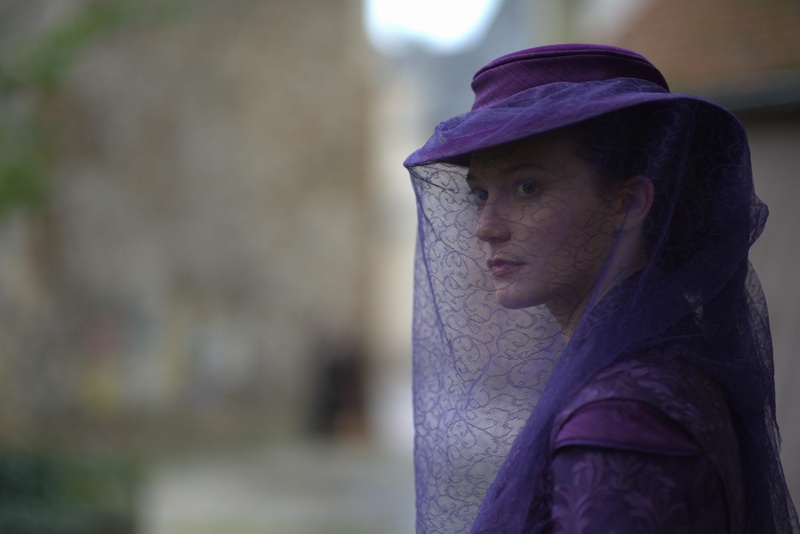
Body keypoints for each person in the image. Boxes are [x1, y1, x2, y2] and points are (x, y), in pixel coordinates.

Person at [403, 44, 799, 533]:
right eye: (480, 194)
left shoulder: (620, 421)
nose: (486, 226)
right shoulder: (654, 361)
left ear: (630, 202)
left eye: (527, 187)